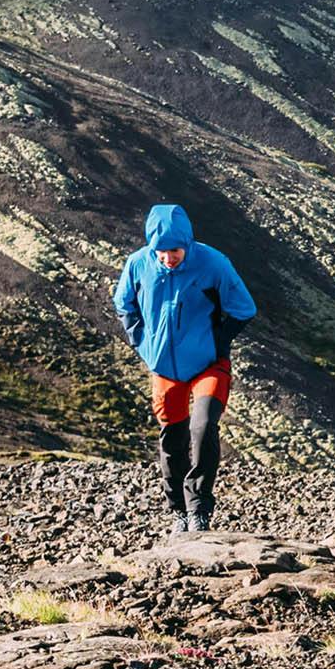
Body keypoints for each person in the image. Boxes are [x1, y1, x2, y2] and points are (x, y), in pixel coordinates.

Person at [114, 203, 257, 534]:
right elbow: (124, 304)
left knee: (204, 427)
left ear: (187, 244)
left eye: (174, 250)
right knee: (172, 440)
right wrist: (143, 343)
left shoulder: (213, 263)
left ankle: (199, 509)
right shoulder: (138, 264)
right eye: (161, 252)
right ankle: (178, 510)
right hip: (164, 367)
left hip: (210, 364)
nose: (168, 258)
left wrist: (216, 343)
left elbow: (244, 308)